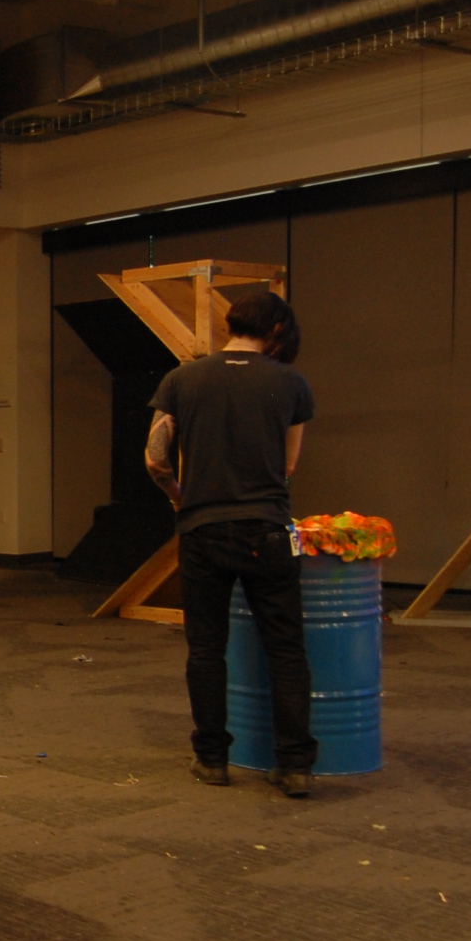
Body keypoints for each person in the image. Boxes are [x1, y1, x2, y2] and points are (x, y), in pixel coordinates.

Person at [144, 289, 317, 797]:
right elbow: (288, 465)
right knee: (286, 649)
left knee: (206, 649)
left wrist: (181, 497)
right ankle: (295, 765)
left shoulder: (182, 379)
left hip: (203, 529)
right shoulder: (291, 383)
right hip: (268, 529)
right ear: (277, 329)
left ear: (231, 324)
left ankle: (212, 759)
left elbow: (155, 458)